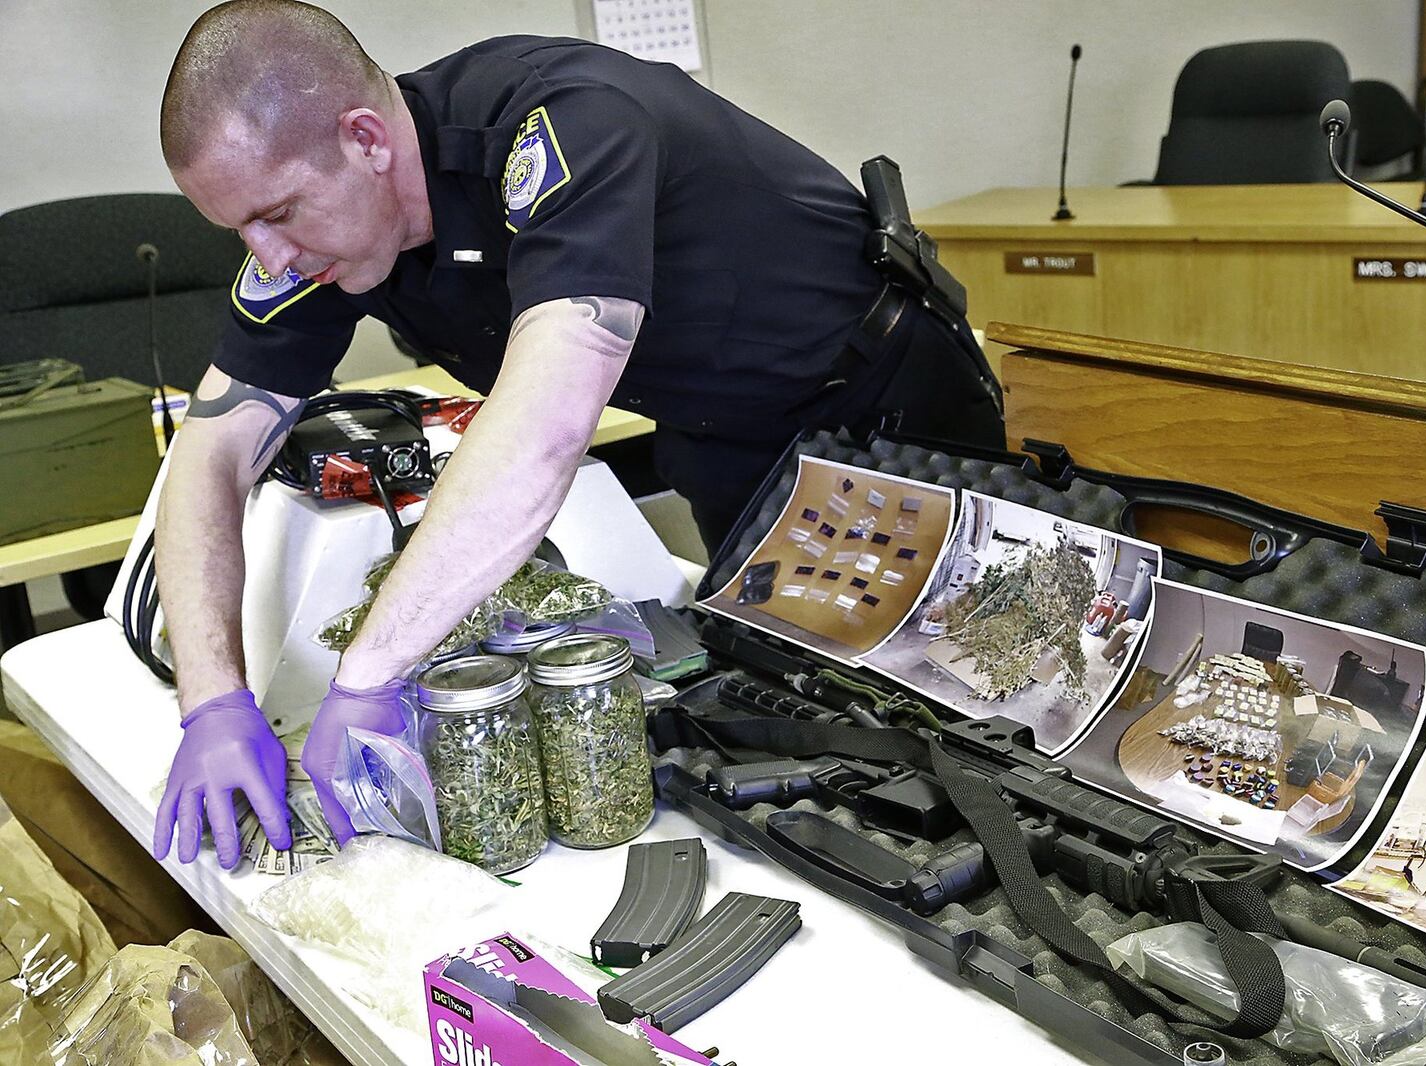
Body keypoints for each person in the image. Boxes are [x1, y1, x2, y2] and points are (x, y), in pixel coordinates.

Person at [150, 0, 1005, 868]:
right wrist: (214, 704)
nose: (269, 257)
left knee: (986, 717)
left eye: (279, 212)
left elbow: (544, 433)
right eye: (240, 230)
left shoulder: (564, 126)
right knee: (823, 731)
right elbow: (209, 450)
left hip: (889, 405)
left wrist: (369, 675)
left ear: (366, 140)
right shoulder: (324, 238)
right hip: (734, 442)